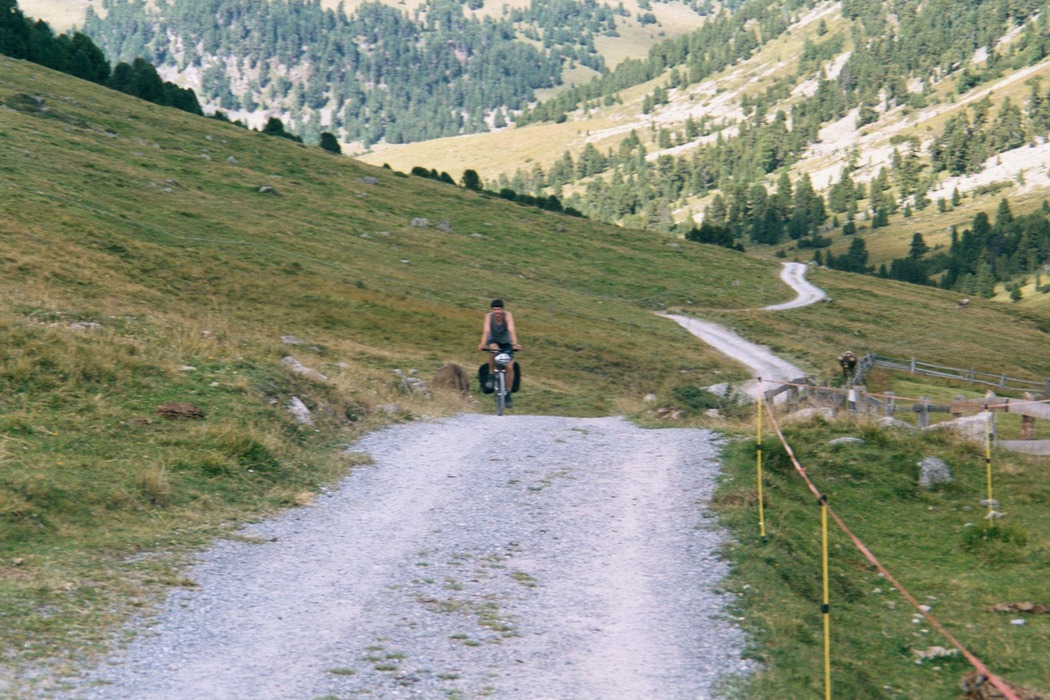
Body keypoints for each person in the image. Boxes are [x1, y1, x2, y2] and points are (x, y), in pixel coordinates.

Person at [478, 299, 522, 406]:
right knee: (494, 350)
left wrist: (515, 344)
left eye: (499, 310)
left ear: (502, 309)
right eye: (494, 310)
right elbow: (486, 331)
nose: (497, 312)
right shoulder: (489, 317)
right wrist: (482, 343)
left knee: (510, 367)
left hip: (507, 342)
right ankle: (491, 375)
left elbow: (511, 330)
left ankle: (507, 393)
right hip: (493, 340)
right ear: (492, 310)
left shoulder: (508, 316)